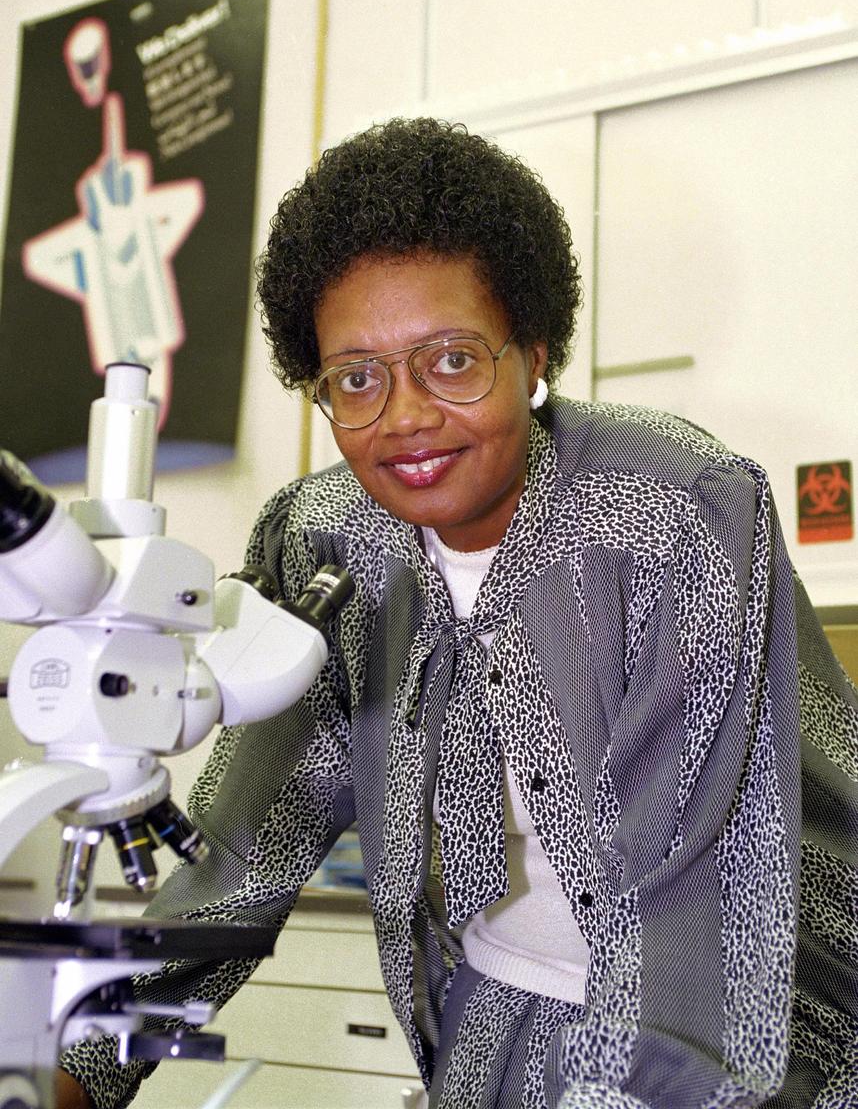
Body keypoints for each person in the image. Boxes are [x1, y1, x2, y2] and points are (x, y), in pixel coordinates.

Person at [58, 118, 858, 1108]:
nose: (403, 416)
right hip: (496, 1013)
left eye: (450, 360)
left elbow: (689, 917)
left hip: (769, 1020)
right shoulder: (326, 547)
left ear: (534, 350)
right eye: (357, 376)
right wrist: (83, 1064)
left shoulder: (674, 513)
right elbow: (242, 850)